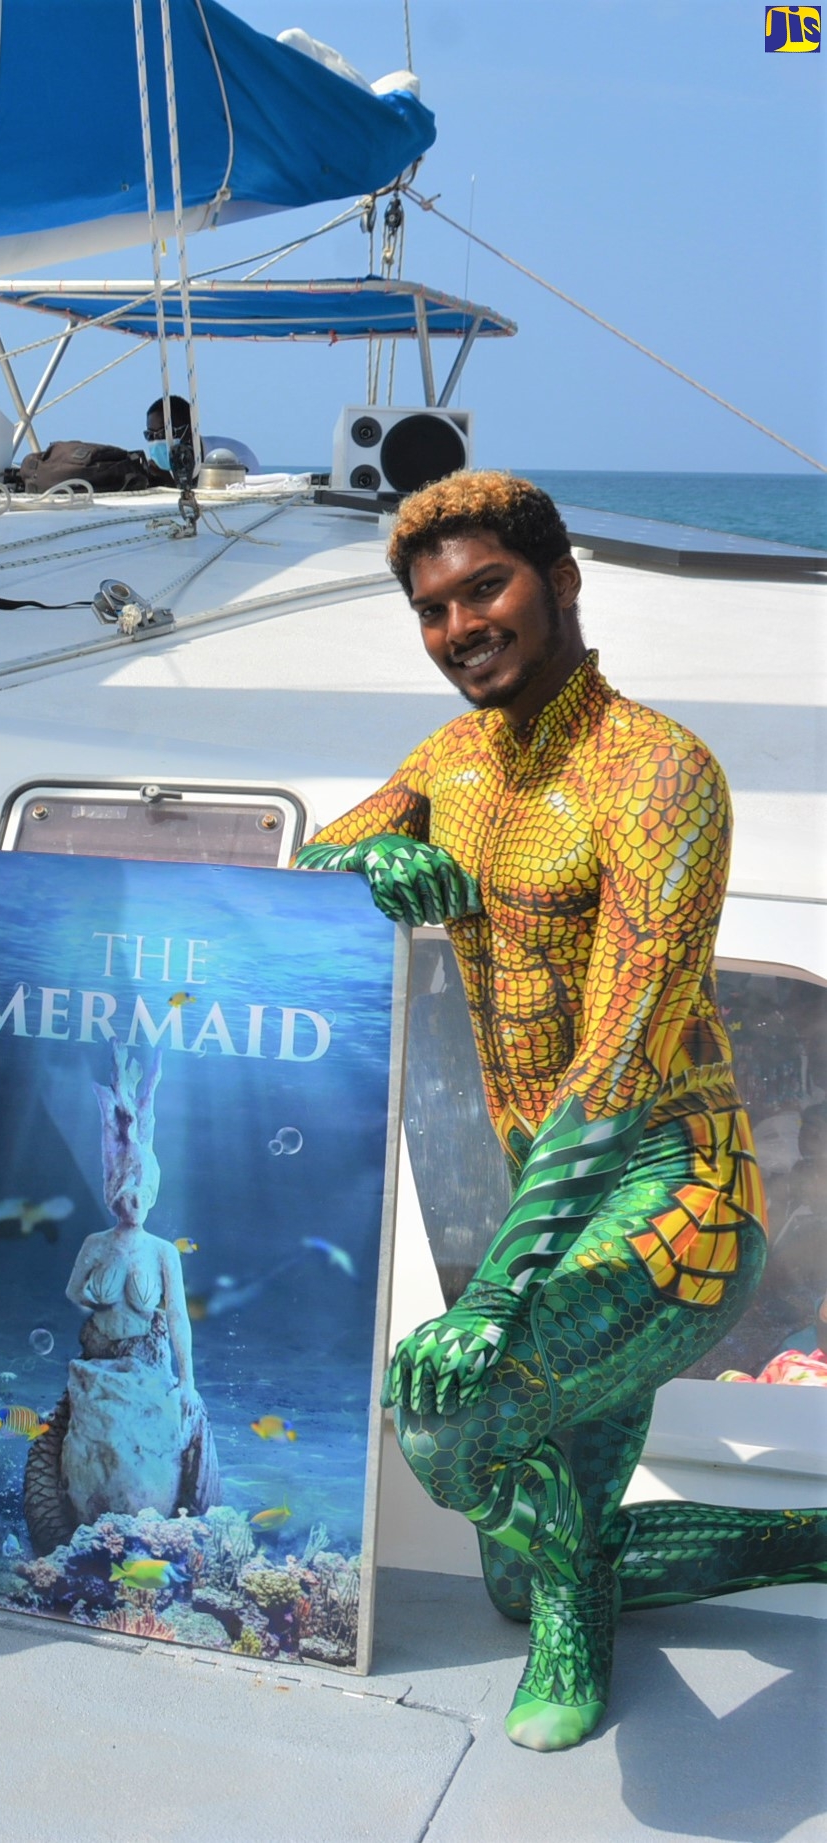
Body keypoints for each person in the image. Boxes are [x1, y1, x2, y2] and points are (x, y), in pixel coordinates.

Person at [295, 471, 825, 1752]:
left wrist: (492, 1294)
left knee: (449, 1413)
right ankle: (770, 1546)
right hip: (553, 1193)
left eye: (486, 587)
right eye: (432, 608)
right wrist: (370, 856)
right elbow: (311, 859)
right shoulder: (447, 763)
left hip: (672, 1185)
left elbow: (624, 1045)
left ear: (562, 580)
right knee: (519, 1567)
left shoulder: (656, 775)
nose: (460, 624)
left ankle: (577, 1597)